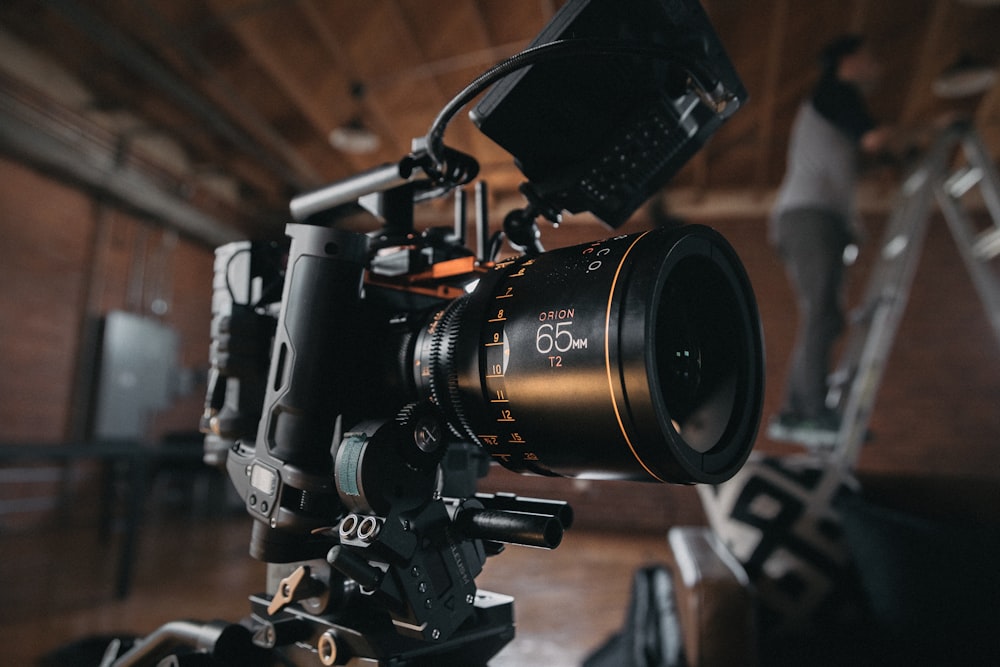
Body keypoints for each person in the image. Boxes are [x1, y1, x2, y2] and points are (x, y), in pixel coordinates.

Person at [768, 35, 892, 445]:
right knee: (822, 312)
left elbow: (861, 155)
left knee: (827, 316)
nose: (876, 65)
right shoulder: (836, 93)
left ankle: (800, 410)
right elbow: (875, 139)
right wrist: (931, 131)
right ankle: (807, 413)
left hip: (815, 218)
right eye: (869, 56)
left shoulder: (835, 102)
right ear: (847, 60)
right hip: (810, 217)